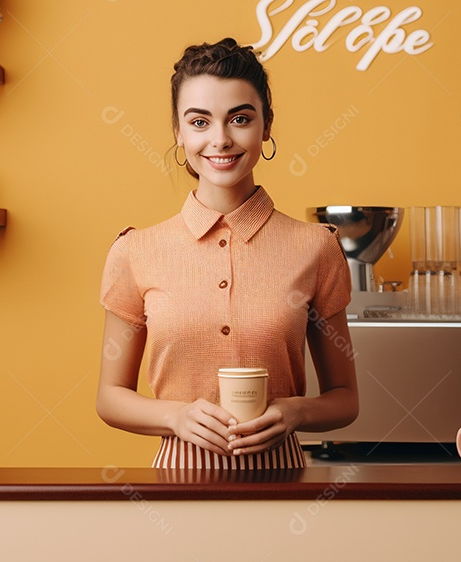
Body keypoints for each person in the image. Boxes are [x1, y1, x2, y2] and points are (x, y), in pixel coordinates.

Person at [96, 38, 358, 469]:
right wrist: (176, 416)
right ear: (178, 132)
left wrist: (295, 412)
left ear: (266, 125)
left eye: (239, 119)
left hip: (283, 488)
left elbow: (345, 399)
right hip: (177, 492)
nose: (220, 140)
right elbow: (110, 397)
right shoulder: (135, 251)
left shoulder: (316, 248)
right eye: (199, 122)